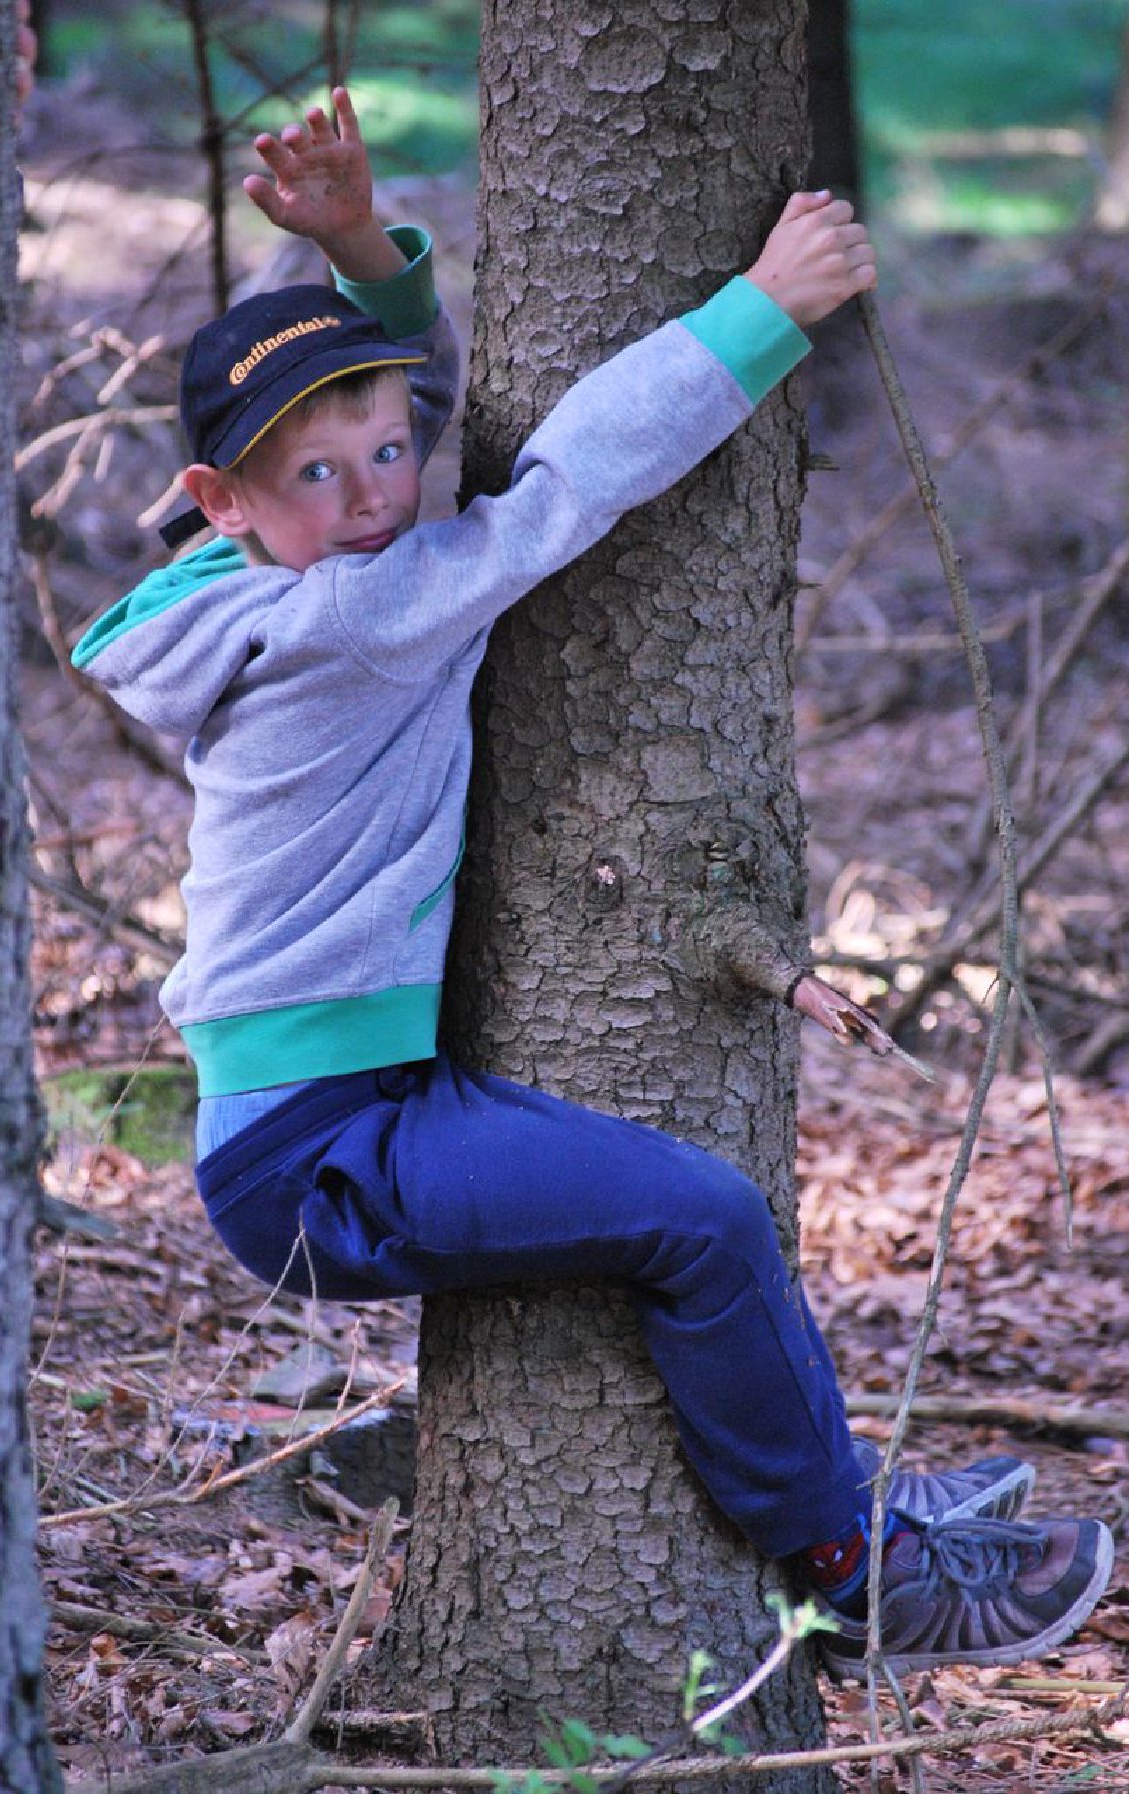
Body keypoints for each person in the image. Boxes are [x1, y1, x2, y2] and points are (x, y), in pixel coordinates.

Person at [73, 92, 1112, 1680]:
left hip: (343, 1106)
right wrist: (761, 313)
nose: (378, 492)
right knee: (703, 1216)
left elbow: (411, 400)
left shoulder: (237, 580)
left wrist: (359, 253)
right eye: (320, 475)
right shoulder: (361, 615)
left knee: (691, 1206)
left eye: (388, 452)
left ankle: (845, 1483)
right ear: (226, 503)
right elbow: (568, 482)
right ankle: (852, 1567)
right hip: (320, 1154)